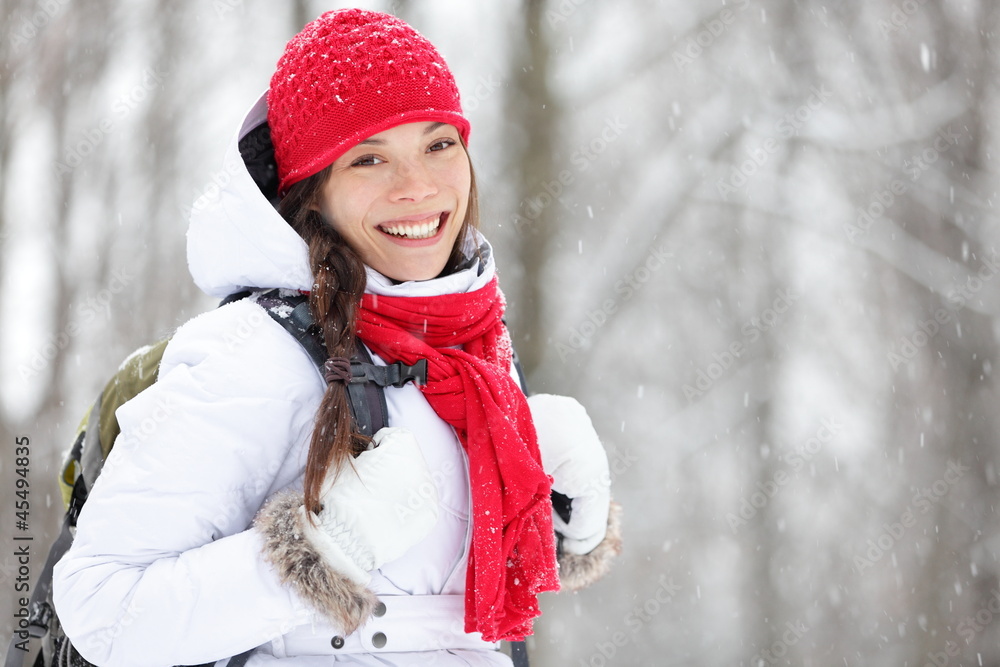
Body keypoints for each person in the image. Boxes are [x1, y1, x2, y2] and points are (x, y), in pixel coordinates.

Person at [52, 8, 621, 666]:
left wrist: (557, 518)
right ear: (313, 193)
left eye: (439, 145)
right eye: (370, 158)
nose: (418, 186)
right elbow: (101, 606)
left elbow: (429, 588)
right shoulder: (253, 353)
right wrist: (322, 549)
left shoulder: (475, 349)